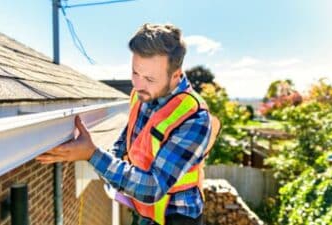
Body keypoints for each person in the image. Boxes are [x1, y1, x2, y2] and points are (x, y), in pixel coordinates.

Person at [36, 23, 221, 225]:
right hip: (144, 212)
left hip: (177, 216)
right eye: (135, 73)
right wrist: (110, 158)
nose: (138, 85)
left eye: (150, 78)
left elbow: (152, 188)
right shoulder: (139, 94)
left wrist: (92, 155)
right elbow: (127, 138)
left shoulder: (194, 118)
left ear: (175, 75)